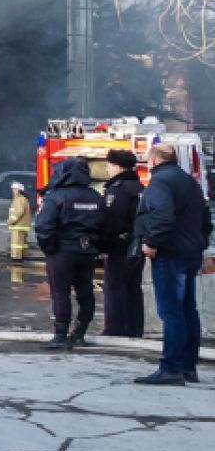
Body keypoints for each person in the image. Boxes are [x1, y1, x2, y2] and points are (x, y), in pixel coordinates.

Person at [130, 141, 212, 385]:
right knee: (188, 311)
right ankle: (188, 367)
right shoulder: (190, 182)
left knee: (171, 312)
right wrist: (199, 244)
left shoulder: (160, 182)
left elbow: (162, 215)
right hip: (190, 253)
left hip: (169, 254)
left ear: (153, 161)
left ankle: (171, 369)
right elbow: (206, 220)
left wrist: (151, 243)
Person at [34, 157, 106, 350]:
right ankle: (80, 332)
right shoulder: (96, 197)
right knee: (85, 291)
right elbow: (104, 226)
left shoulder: (56, 197)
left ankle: (60, 334)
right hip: (87, 251)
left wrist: (49, 248)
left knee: (60, 292)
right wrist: (96, 246)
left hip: (62, 252)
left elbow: (43, 226)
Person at [100, 149, 146, 339]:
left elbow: (112, 221)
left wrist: (103, 246)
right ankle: (134, 329)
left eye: (109, 166)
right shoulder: (140, 188)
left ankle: (115, 329)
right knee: (133, 287)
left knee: (114, 287)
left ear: (118, 167)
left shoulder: (117, 189)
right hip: (137, 244)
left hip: (120, 246)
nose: (108, 169)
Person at [6, 182, 35, 262]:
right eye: (13, 189)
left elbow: (18, 212)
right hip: (23, 225)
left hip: (18, 225)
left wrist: (10, 221)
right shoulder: (23, 199)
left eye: (15, 189)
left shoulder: (19, 199)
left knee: (16, 243)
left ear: (19, 190)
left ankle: (16, 257)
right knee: (23, 243)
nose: (13, 191)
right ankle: (24, 255)